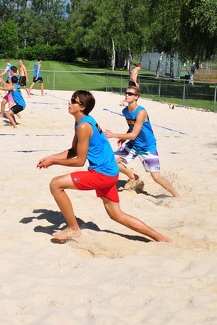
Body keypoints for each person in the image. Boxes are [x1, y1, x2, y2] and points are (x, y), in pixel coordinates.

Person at [36, 90, 172, 243]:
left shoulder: (83, 126)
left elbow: (79, 161)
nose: (69, 102)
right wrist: (51, 157)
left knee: (55, 184)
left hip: (103, 174)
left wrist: (54, 162)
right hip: (110, 171)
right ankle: (161, 238)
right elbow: (74, 151)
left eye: (74, 101)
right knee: (116, 215)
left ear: (82, 107)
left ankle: (74, 228)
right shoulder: (83, 121)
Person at [104, 85, 179, 197]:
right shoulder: (125, 111)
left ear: (136, 97)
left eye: (130, 94)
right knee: (110, 160)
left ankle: (176, 195)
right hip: (133, 144)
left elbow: (133, 135)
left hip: (147, 146)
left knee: (156, 177)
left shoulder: (141, 112)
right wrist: (124, 137)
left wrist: (113, 134)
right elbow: (132, 128)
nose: (127, 95)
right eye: (126, 93)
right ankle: (132, 176)